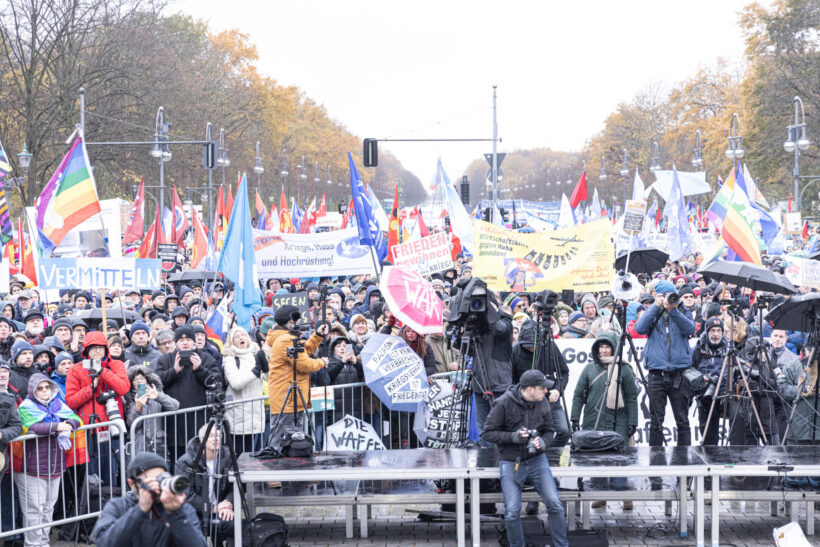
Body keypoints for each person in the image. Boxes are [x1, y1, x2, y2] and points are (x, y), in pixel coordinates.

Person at [481, 370, 568, 547]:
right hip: (511, 461)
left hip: (537, 460)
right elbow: (487, 433)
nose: (546, 392)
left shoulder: (542, 402)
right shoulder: (503, 403)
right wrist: (513, 437)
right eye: (542, 388)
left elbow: (550, 430)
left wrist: (543, 442)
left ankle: (562, 545)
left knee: (555, 504)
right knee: (512, 511)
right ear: (529, 390)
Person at [570, 331, 638, 510]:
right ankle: (599, 494)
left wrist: (633, 421)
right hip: (593, 419)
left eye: (608, 347)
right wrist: (575, 418)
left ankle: (624, 495)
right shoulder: (589, 369)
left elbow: (631, 397)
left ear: (614, 348)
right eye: (601, 346)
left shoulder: (624, 369)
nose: (604, 350)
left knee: (619, 458)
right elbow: (578, 395)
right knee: (596, 458)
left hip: (619, 420)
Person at [15, 373, 82, 547]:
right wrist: (57, 426)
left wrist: (68, 424)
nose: (44, 391)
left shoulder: (58, 404)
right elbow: (32, 426)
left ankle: (44, 542)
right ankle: (33, 544)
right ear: (33, 391)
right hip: (31, 466)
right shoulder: (26, 407)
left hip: (55, 465)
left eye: (47, 387)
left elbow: (76, 419)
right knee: (33, 509)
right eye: (40, 388)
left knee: (48, 507)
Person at [91, 451, 206, 547]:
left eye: (162, 478)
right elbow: (104, 543)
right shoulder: (118, 506)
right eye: (153, 479)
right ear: (131, 483)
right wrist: (140, 509)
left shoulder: (182, 508)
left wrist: (177, 513)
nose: (159, 483)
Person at [634, 280, 695, 447]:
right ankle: (656, 464)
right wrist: (656, 306)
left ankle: (684, 465)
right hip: (656, 374)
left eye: (672, 294)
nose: (670, 297)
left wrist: (673, 310)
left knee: (682, 420)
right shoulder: (651, 311)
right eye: (666, 294)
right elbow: (639, 329)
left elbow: (690, 329)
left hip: (679, 374)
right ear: (658, 295)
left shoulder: (683, 310)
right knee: (656, 422)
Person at [65, 330, 130, 486]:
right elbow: (71, 402)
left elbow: (123, 389)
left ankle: (111, 505)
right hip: (87, 429)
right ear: (86, 350)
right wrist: (90, 389)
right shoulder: (76, 369)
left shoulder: (116, 365)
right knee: (90, 477)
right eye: (93, 348)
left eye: (101, 347)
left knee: (111, 473)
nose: (97, 351)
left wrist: (103, 372)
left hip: (111, 428)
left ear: (106, 349)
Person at [154, 325, 220, 469]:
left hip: (199, 422)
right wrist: (174, 371)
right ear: (176, 342)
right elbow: (156, 382)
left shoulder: (205, 358)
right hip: (174, 423)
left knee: (199, 461)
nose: (185, 342)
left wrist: (200, 369)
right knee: (177, 462)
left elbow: (217, 382)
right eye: (181, 339)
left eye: (188, 339)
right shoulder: (165, 360)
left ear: (194, 341)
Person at [266, 305, 329, 451]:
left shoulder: (286, 337)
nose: (300, 322)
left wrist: (317, 335)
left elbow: (304, 350)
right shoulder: (285, 340)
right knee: (281, 441)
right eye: (297, 319)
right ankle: (277, 468)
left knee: (293, 441)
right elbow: (304, 364)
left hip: (290, 399)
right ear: (290, 321)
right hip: (286, 399)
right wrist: (322, 362)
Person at [175, 425, 236, 545]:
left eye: (219, 436)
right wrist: (213, 508)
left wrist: (228, 504)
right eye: (212, 436)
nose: (216, 439)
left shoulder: (228, 456)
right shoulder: (185, 461)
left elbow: (234, 486)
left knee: (234, 525)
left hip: (221, 509)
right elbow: (185, 493)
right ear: (202, 440)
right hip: (194, 512)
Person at [222, 326, 266, 455]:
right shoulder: (230, 358)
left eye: (243, 335)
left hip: (255, 414)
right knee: (238, 455)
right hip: (238, 415)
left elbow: (269, 378)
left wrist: (266, 366)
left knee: (254, 456)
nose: (241, 338)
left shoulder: (256, 355)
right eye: (237, 336)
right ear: (232, 342)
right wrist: (255, 372)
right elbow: (236, 383)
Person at [125, 367, 180, 458]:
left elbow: (175, 406)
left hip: (157, 444)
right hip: (138, 446)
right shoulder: (129, 399)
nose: (139, 381)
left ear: (147, 380)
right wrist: (138, 408)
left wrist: (158, 396)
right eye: (135, 379)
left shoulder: (156, 393)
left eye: (142, 378)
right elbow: (132, 424)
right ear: (131, 383)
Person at [690, 317, 729, 446]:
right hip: (705, 394)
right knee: (708, 434)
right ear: (707, 332)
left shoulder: (729, 348)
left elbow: (736, 369)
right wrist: (702, 379)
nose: (716, 334)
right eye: (712, 330)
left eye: (719, 330)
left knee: (739, 417)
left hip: (725, 393)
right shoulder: (697, 348)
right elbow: (689, 370)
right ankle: (710, 458)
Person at [0, 361, 23, 540]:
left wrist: (2, 434)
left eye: (5, 371)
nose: (2, 374)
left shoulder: (10, 399)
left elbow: (16, 426)